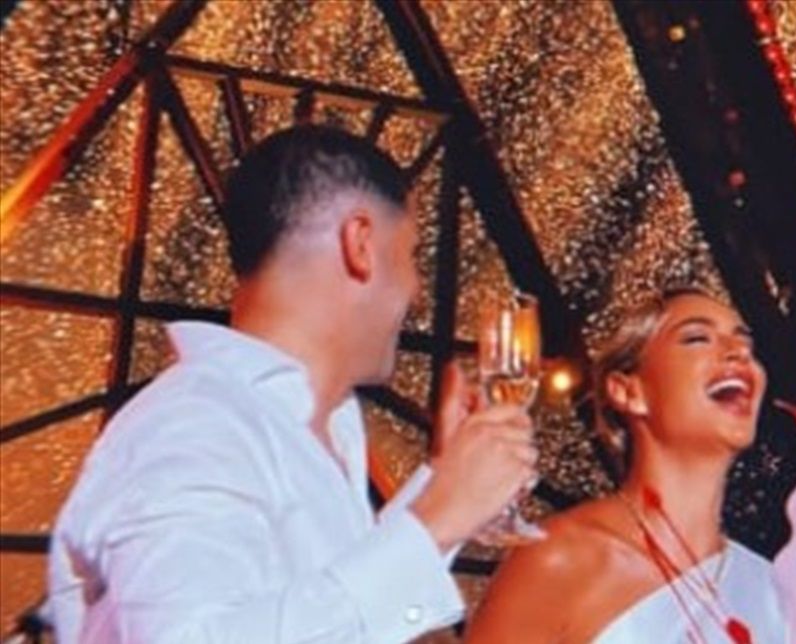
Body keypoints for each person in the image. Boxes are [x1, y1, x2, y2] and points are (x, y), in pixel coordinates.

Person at [45, 125, 538, 643]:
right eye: (411, 255)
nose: (416, 292)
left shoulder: (316, 428)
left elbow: (322, 610)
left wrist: (444, 484)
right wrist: (438, 518)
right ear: (361, 243)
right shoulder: (194, 426)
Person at [465, 288, 786, 643]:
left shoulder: (775, 592)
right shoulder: (560, 559)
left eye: (746, 343)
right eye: (697, 338)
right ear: (627, 391)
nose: (738, 352)